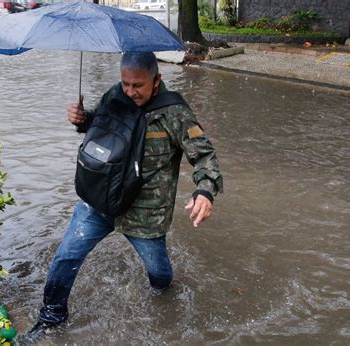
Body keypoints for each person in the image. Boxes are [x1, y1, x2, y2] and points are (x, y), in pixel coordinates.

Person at [27, 51, 223, 336]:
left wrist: (205, 191)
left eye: (137, 86)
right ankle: (50, 318)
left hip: (145, 214)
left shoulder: (175, 113)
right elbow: (100, 129)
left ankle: (164, 302)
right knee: (66, 256)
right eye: (125, 84)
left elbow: (205, 157)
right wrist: (82, 120)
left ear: (157, 81)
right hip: (99, 201)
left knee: (160, 277)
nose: (129, 92)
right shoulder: (114, 95)